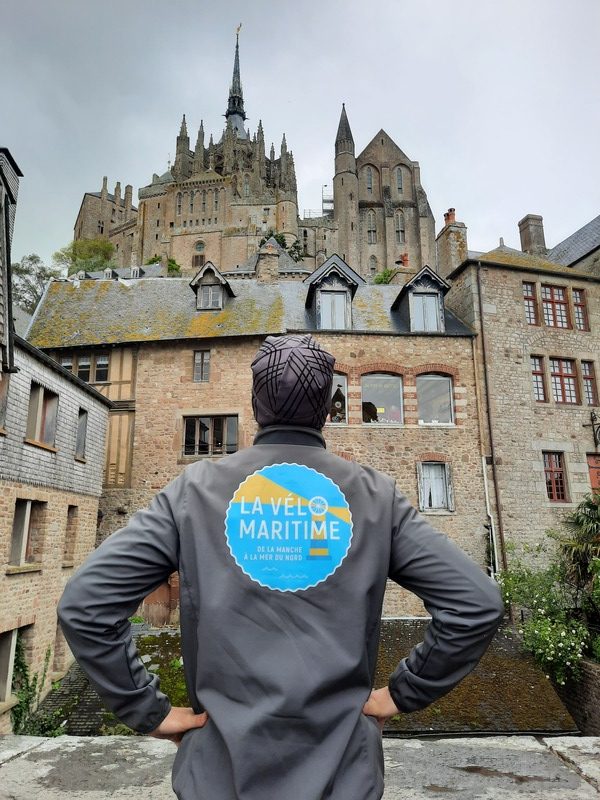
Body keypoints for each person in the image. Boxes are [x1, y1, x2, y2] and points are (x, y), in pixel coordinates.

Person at [58, 333, 504, 800]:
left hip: (219, 779)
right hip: (345, 779)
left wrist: (145, 709)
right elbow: (476, 603)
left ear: (255, 404)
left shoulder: (195, 489)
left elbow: (86, 605)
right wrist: (401, 694)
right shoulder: (376, 496)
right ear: (330, 406)